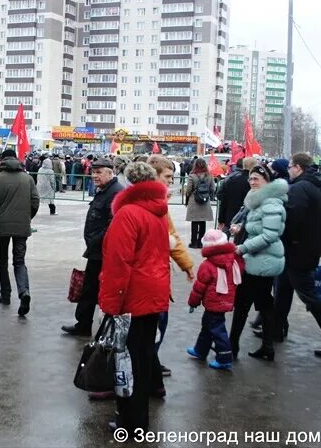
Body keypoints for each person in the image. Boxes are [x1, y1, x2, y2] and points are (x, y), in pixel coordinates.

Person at [99, 162, 170, 433]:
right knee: (143, 357)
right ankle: (139, 418)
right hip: (153, 293)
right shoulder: (157, 211)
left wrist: (111, 304)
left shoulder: (128, 213)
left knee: (126, 360)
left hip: (131, 297)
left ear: (128, 183)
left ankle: (129, 420)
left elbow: (118, 263)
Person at [274, 153, 321, 358]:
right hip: (308, 248)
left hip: (297, 250)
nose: (288, 170)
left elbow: (293, 220)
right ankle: (275, 329)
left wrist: (288, 240)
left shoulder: (299, 188)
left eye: (290, 167)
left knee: (309, 295)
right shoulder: (319, 186)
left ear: (298, 167)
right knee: (282, 290)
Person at [229, 165, 287, 361]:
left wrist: (242, 248)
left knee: (248, 304)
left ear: (267, 182)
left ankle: (233, 346)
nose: (252, 182)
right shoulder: (258, 200)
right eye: (251, 178)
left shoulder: (271, 203)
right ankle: (263, 347)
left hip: (262, 261)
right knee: (258, 303)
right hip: (256, 259)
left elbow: (269, 235)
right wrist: (241, 228)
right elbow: (258, 228)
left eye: (257, 179)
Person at [61, 158, 124, 337]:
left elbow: (112, 225)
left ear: (110, 172)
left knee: (94, 288)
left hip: (103, 251)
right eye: (93, 172)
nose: (94, 176)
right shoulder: (105, 190)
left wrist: (95, 240)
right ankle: (83, 324)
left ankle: (91, 326)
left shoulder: (115, 193)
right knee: (89, 288)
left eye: (99, 172)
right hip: (97, 249)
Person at [147, 155, 195, 378]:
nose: (170, 181)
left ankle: (150, 363)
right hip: (148, 276)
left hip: (157, 273)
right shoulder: (147, 204)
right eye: (167, 176)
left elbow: (171, 236)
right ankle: (146, 368)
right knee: (155, 322)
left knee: (159, 322)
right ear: (154, 175)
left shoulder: (159, 204)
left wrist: (186, 264)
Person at [0, 149, 39, 316]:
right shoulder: (28, 178)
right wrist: (27, 218)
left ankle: (5, 294)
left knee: (2, 260)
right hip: (22, 226)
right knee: (19, 261)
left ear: (2, 160)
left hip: (1, 226)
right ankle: (24, 291)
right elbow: (35, 201)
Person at [187, 229, 243, 370]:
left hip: (213, 303)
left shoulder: (207, 265)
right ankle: (200, 349)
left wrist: (193, 302)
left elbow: (199, 288)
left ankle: (224, 358)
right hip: (227, 299)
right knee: (207, 326)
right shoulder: (233, 260)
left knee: (217, 330)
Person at [216, 157, 255, 237]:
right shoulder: (254, 183)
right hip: (246, 219)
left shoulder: (231, 179)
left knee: (224, 239)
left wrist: (221, 219)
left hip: (230, 217)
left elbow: (224, 201)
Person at [185, 158, 215, 248]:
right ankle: (200, 242)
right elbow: (213, 189)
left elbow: (188, 190)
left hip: (194, 201)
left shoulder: (192, 176)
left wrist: (189, 196)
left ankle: (193, 243)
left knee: (194, 222)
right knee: (203, 222)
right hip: (205, 201)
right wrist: (206, 194)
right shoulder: (209, 176)